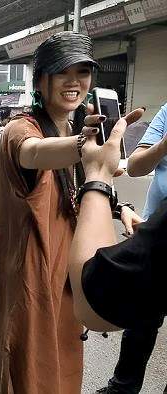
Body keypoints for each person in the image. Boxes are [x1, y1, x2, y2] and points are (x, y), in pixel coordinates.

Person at [0, 32, 142, 394]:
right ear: (40, 80)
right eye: (62, 72)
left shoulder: (77, 127)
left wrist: (120, 207)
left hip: (67, 274)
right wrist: (83, 146)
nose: (74, 81)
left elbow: (80, 189)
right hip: (33, 276)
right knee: (27, 373)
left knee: (63, 369)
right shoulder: (22, 129)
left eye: (83, 72)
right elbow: (34, 152)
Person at [67, 107, 167, 394]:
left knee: (142, 311)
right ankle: (123, 386)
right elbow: (136, 166)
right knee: (144, 320)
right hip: (151, 227)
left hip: (156, 238)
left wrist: (97, 176)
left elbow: (94, 295)